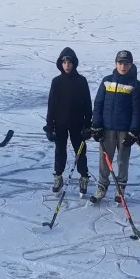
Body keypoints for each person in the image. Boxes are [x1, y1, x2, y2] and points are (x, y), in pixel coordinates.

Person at [88, 50, 140, 204]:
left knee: (122, 161)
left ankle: (120, 189)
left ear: (131, 65)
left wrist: (133, 131)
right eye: (120, 63)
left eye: (126, 63)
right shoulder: (107, 81)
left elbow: (137, 110)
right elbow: (98, 103)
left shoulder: (135, 85)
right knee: (104, 161)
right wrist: (96, 125)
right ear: (115, 64)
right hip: (107, 129)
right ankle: (101, 187)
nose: (123, 66)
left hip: (124, 130)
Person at [44, 47, 92, 196]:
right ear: (60, 64)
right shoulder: (56, 82)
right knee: (60, 151)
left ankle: (83, 177)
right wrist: (49, 126)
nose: (67, 65)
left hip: (77, 124)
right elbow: (51, 104)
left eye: (69, 62)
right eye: (64, 62)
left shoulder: (81, 81)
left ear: (74, 64)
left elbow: (87, 105)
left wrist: (88, 125)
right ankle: (58, 176)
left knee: (80, 151)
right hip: (60, 124)